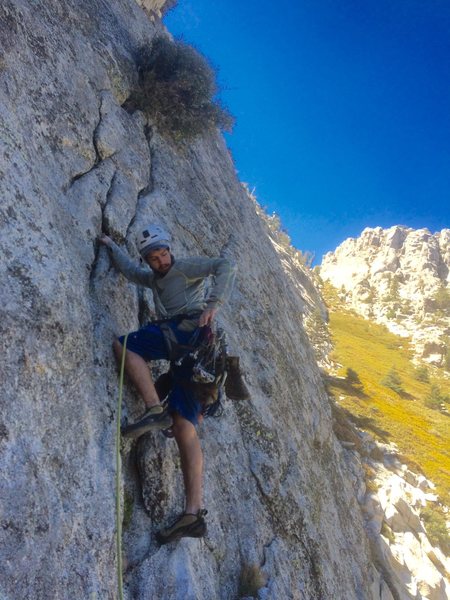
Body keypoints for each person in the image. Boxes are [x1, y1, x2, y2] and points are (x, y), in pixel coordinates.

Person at [99, 223, 237, 544]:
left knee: (124, 346)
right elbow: (131, 272)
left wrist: (213, 304)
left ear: (170, 250)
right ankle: (192, 513)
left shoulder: (186, 267)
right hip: (190, 355)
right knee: (184, 425)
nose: (161, 261)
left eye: (163, 254)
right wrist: (109, 244)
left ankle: (152, 408)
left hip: (186, 333)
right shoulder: (152, 277)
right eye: (154, 258)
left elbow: (224, 265)